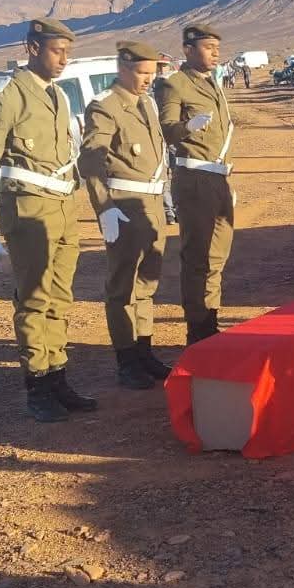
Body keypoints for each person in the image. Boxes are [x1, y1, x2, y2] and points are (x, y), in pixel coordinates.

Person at [0, 19, 97, 422]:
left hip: (62, 208)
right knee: (35, 299)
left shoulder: (58, 95)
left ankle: (57, 376)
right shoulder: (9, 97)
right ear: (32, 48)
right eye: (57, 51)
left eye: (67, 53)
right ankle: (37, 385)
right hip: (28, 209)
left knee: (60, 297)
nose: (63, 60)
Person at [79, 41, 173, 390]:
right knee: (123, 286)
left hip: (151, 204)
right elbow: (90, 161)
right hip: (123, 205)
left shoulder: (146, 103)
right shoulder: (105, 107)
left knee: (147, 283)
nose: (148, 79)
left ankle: (144, 351)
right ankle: (126, 360)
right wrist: (104, 207)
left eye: (152, 73)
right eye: (142, 73)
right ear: (122, 68)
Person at [157, 24, 236, 344]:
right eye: (208, 47)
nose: (215, 53)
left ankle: (210, 322)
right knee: (197, 257)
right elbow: (166, 128)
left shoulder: (213, 83)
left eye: (217, 47)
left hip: (217, 177)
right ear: (188, 50)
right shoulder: (175, 84)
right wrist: (187, 127)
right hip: (193, 179)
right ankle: (197, 330)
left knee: (217, 256)